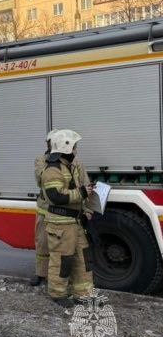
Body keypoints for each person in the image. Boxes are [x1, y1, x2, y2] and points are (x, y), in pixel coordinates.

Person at [40, 129, 94, 307]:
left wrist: (86, 208)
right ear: (66, 147)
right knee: (62, 261)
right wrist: (82, 193)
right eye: (75, 146)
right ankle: (58, 294)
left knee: (83, 259)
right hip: (60, 225)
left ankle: (83, 294)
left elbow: (77, 190)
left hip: (74, 223)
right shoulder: (52, 170)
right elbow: (56, 196)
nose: (77, 150)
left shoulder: (69, 166)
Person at [30, 130, 56, 287]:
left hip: (62, 210)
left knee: (61, 246)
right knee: (42, 243)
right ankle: (40, 274)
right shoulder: (41, 160)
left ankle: (57, 276)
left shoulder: (71, 162)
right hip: (45, 209)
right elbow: (41, 179)